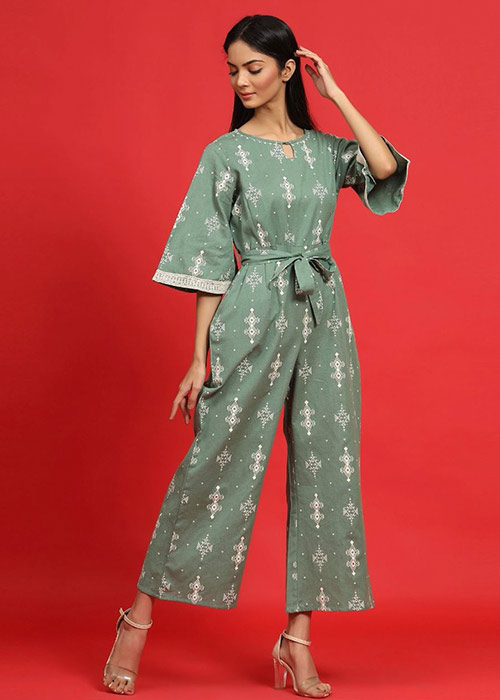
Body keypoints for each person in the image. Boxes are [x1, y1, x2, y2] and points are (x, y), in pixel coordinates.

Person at [102, 13, 410, 697]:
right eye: (232, 70)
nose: (241, 81)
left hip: (323, 313)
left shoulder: (327, 150)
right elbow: (209, 259)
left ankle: (297, 641)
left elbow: (385, 168)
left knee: (327, 469)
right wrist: (198, 358)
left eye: (254, 68)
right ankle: (137, 619)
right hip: (252, 309)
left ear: (288, 69)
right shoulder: (226, 154)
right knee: (215, 460)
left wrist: (336, 94)